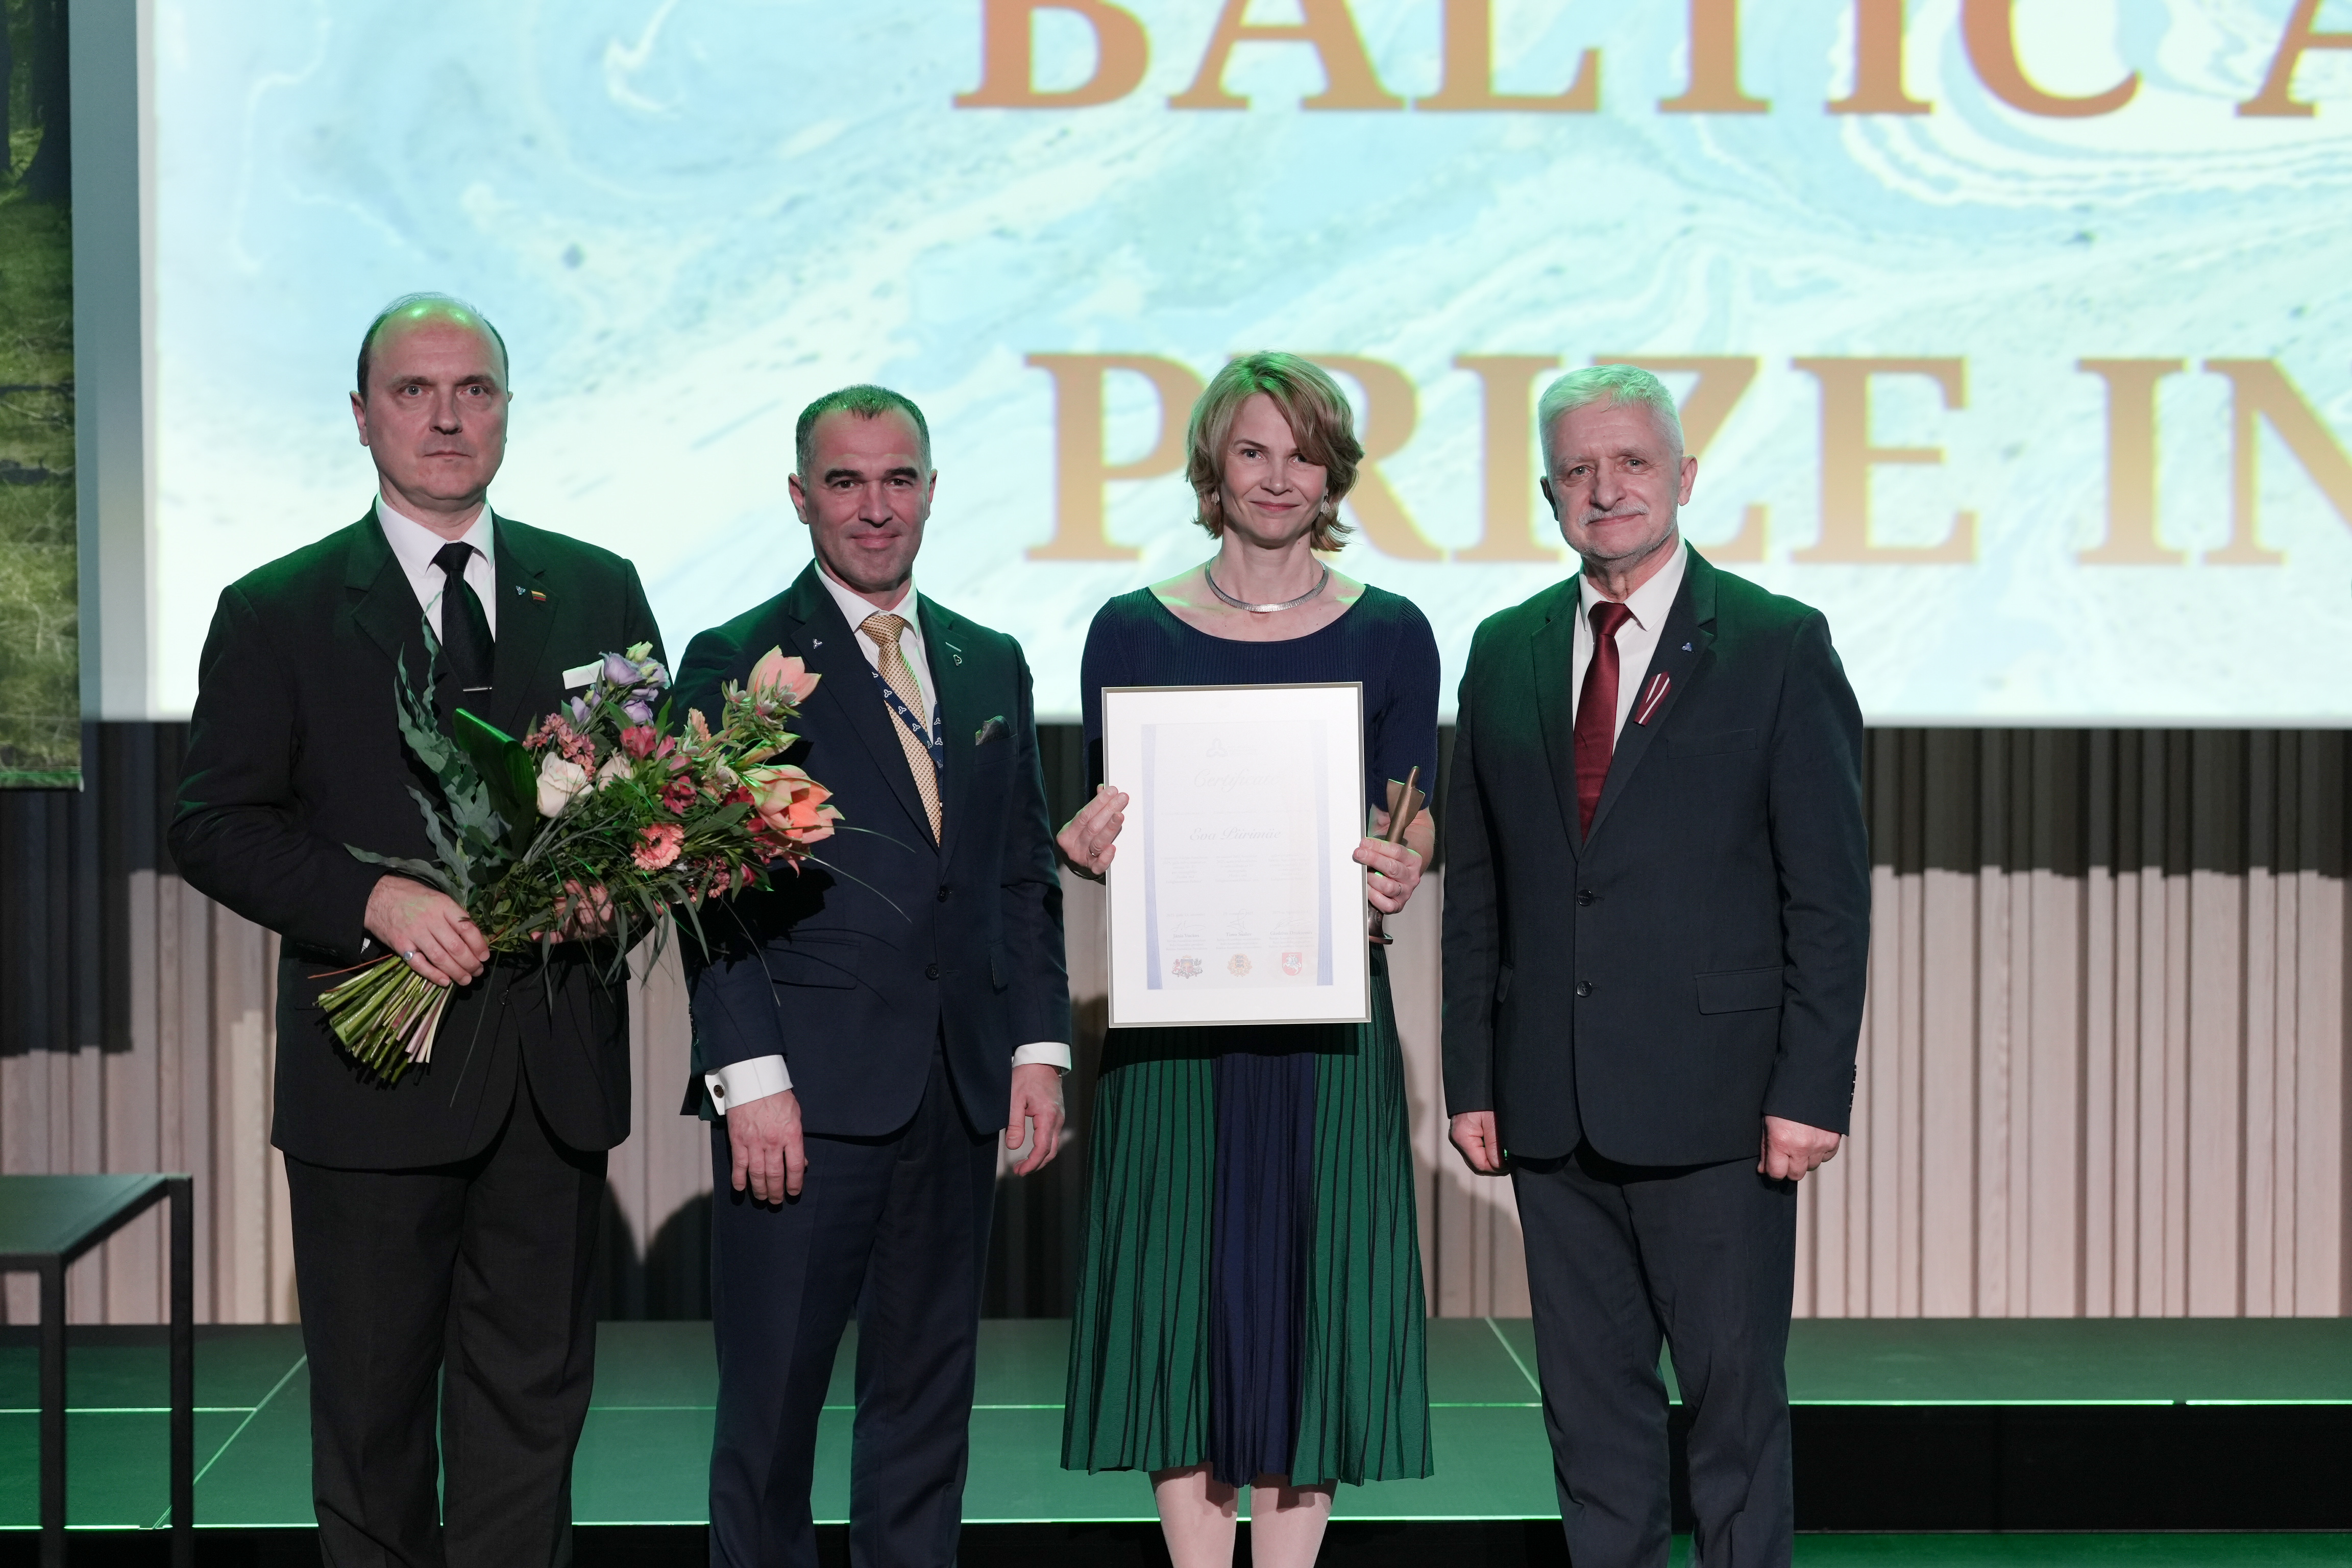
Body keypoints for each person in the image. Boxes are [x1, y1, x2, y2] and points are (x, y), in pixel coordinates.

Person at [170, 293, 664, 1565]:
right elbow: (214, 824)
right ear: (361, 416)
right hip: (374, 1084)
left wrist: (617, 890)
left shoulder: (597, 586)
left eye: (474, 390)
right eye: (414, 391)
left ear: (507, 410)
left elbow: (658, 808)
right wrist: (372, 901)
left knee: (531, 1421)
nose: (447, 418)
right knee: (374, 1427)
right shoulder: (277, 608)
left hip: (551, 1078)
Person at [1441, 363, 1869, 1568]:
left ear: (1684, 475)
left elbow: (1828, 897)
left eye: (1631, 462)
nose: (1606, 489)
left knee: (1735, 1422)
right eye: (1577, 469)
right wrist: (1474, 1078)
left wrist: (1810, 1090)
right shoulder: (1505, 649)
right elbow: (1479, 890)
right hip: (1549, 1106)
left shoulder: (1778, 644)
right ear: (1547, 493)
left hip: (1721, 1109)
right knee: (1592, 1426)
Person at [676, 384, 1072, 1568]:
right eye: (845, 482)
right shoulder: (740, 659)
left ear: (933, 491)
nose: (875, 507)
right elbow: (705, 890)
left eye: (898, 479)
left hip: (956, 1089)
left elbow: (1018, 877)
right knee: (772, 1418)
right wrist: (749, 1077)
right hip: (804, 1099)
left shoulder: (990, 660)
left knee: (925, 1408)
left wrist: (1038, 1046)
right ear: (801, 498)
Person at [1057, 352, 1437, 1568]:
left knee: (1311, 1308)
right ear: (1213, 469)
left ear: (1335, 474)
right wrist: (1083, 847)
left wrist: (1404, 859)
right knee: (1180, 1303)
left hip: (1329, 1020)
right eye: (1254, 452)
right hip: (1175, 1023)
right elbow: (1112, 819)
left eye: (1304, 454)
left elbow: (1411, 808)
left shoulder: (1393, 631)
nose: (1280, 477)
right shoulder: (1129, 629)